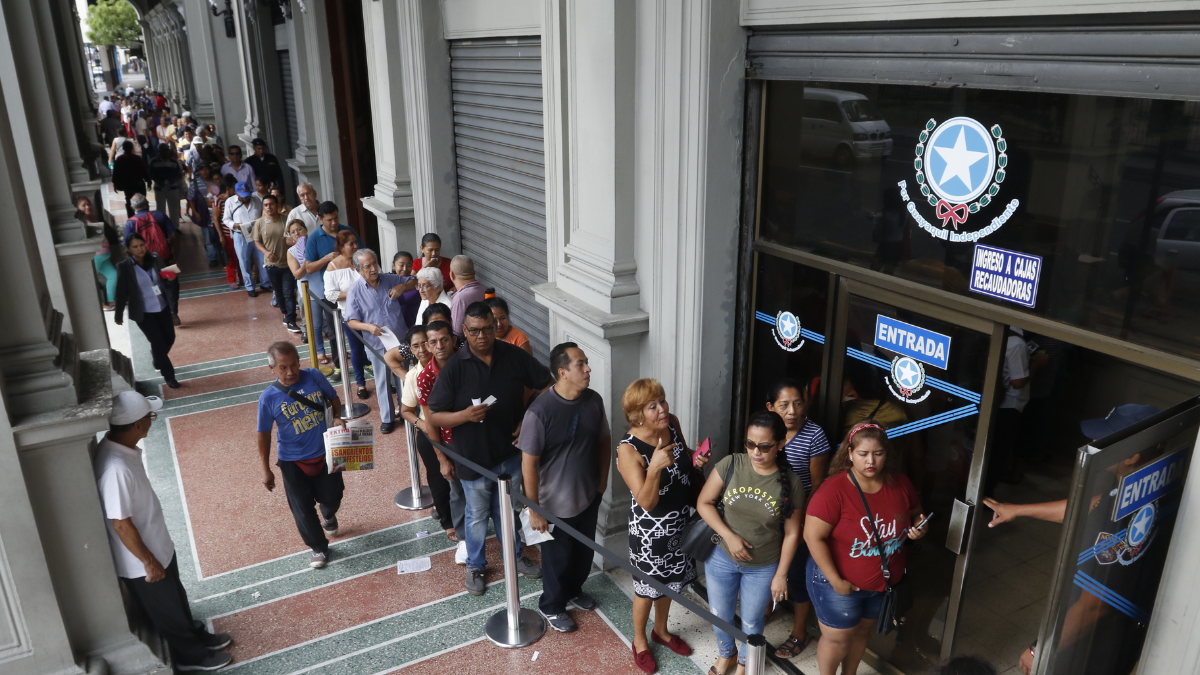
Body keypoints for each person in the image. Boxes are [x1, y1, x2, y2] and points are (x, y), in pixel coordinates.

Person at [983, 404, 1161, 675]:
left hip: (1095, 647)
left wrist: (1037, 650)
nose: (1094, 442)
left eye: (1106, 437)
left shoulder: (1121, 521)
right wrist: (1017, 510)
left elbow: (1093, 606)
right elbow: (1094, 506)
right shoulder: (1146, 488)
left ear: (1131, 456)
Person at [95, 391, 234, 671]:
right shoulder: (115, 471)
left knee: (176, 599)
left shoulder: (122, 451)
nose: (151, 420)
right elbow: (120, 524)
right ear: (137, 425)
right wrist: (149, 562)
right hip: (142, 561)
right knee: (167, 610)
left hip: (157, 545)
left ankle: (195, 634)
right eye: (150, 416)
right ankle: (191, 656)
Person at [427, 302, 551, 595]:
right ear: (464, 332)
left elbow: (547, 385)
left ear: (496, 328)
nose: (481, 336)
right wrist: (464, 417)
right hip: (474, 459)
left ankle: (516, 554)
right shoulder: (456, 367)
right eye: (473, 331)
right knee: (477, 515)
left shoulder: (514, 357)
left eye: (486, 329)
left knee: (508, 509)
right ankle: (476, 565)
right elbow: (433, 414)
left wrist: (528, 418)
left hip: (510, 453)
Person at [805, 422, 929, 675]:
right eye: (863, 454)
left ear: (887, 453)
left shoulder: (900, 483)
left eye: (878, 453)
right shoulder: (834, 490)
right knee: (838, 639)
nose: (870, 461)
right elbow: (812, 537)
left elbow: (917, 514)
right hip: (837, 584)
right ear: (849, 453)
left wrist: (920, 527)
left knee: (863, 632)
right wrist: (836, 580)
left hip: (883, 584)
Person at [698, 410, 804, 674]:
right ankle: (727, 655)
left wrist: (781, 575)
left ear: (780, 444)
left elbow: (792, 533)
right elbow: (704, 502)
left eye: (765, 446)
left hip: (764, 564)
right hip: (722, 556)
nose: (756, 452)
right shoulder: (732, 464)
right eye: (750, 444)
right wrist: (729, 536)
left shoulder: (791, 482)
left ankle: (746, 661)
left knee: (752, 620)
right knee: (719, 613)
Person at [616, 378, 707, 673]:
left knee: (671, 584)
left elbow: (684, 468)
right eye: (652, 406)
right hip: (650, 532)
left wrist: (697, 461)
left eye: (662, 401)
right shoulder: (628, 449)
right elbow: (645, 501)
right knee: (647, 590)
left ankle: (662, 631)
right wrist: (654, 468)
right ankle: (640, 640)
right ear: (637, 414)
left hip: (679, 523)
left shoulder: (673, 425)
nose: (662, 409)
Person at [519, 342, 611, 632]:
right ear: (563, 372)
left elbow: (604, 441)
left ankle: (574, 590)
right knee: (557, 559)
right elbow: (528, 464)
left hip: (588, 496)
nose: (588, 369)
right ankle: (552, 605)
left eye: (586, 363)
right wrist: (535, 509)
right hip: (553, 505)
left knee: (583, 555)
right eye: (581, 364)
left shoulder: (593, 401)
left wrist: (603, 482)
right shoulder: (539, 412)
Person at [256, 342, 346, 569]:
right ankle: (318, 547)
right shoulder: (268, 398)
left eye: (294, 364)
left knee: (333, 495)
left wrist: (337, 416)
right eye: (283, 367)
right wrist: (266, 469)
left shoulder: (314, 376)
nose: (290, 372)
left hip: (326, 452)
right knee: (302, 509)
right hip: (292, 461)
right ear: (272, 369)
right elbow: (263, 434)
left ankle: (329, 513)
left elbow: (334, 400)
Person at [766, 378, 831, 659]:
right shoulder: (766, 430)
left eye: (797, 403)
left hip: (799, 518)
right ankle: (766, 608)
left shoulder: (814, 435)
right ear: (770, 407)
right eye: (784, 405)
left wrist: (805, 523)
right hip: (769, 518)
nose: (792, 410)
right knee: (767, 566)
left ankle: (800, 631)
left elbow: (818, 485)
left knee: (796, 575)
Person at [344, 248, 415, 434]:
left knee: (404, 377)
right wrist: (368, 327)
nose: (373, 269)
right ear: (359, 270)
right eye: (367, 266)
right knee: (382, 381)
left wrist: (402, 287)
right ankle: (388, 418)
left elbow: (414, 282)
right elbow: (351, 321)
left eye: (374, 263)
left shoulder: (390, 279)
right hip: (376, 343)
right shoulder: (355, 291)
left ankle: (406, 411)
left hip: (400, 340)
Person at [399, 325, 459, 542]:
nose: (422, 349)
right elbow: (405, 410)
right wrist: (422, 424)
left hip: (456, 431)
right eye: (416, 346)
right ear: (411, 350)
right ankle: (448, 522)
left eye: (425, 342)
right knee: (439, 478)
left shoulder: (453, 365)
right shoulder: (416, 376)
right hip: (431, 434)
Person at [416, 320, 468, 564]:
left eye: (444, 339)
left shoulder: (470, 361)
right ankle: (465, 540)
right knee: (457, 492)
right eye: (433, 341)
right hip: (451, 443)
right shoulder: (425, 378)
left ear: (454, 340)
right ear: (427, 345)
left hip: (481, 438)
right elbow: (430, 422)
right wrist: (442, 458)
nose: (439, 345)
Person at [114, 233, 180, 388]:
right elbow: (121, 292)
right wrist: (118, 314)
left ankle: (158, 358)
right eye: (135, 247)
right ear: (129, 249)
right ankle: (169, 376)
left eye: (142, 245)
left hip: (161, 306)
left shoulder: (155, 259)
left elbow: (164, 278)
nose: (140, 249)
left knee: (169, 338)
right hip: (144, 312)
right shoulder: (124, 267)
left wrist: (170, 279)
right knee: (157, 342)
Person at [323, 231, 370, 398]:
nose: (356, 246)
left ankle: (383, 378)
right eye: (351, 244)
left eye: (356, 242)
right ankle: (361, 384)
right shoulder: (333, 267)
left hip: (371, 311)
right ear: (341, 247)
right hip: (350, 314)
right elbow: (330, 295)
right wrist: (353, 293)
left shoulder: (362, 260)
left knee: (377, 347)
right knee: (356, 349)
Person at [124, 193, 181, 325]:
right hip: (165, 258)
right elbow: (173, 235)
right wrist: (175, 255)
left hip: (145, 262)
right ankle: (173, 312)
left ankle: (160, 314)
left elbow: (127, 246)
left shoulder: (131, 222)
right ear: (148, 204)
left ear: (133, 208)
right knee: (171, 284)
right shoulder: (160, 215)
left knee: (152, 285)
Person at [252, 194, 301, 333]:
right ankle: (285, 312)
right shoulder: (260, 223)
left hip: (288, 264)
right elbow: (257, 241)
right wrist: (266, 252)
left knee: (289, 293)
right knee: (278, 293)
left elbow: (294, 236)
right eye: (266, 205)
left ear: (277, 205)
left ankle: (291, 319)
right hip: (271, 265)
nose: (269, 207)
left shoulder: (286, 221)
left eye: (271, 204)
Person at [223, 181, 265, 297]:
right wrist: (234, 225)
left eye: (247, 195)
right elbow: (225, 219)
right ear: (236, 193)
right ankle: (250, 286)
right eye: (243, 195)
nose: (246, 198)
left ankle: (265, 283)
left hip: (256, 234)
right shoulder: (230, 202)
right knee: (244, 261)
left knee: (263, 259)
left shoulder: (256, 199)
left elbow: (262, 214)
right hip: (240, 235)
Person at [187, 161, 221, 268]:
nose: (205, 172)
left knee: (220, 235)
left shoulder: (215, 181)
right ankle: (213, 258)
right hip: (205, 215)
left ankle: (222, 256)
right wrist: (195, 212)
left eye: (206, 169)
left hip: (218, 213)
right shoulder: (195, 183)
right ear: (199, 172)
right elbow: (190, 199)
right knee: (208, 238)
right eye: (202, 170)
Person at [212, 173, 244, 289]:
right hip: (226, 234)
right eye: (234, 188)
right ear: (228, 188)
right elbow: (215, 219)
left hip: (236, 232)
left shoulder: (235, 199)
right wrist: (221, 235)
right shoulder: (218, 201)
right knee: (229, 257)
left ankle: (242, 278)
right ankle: (232, 280)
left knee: (240, 255)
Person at [148, 144, 185, 233]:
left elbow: (180, 174)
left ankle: (175, 228)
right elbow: (150, 174)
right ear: (159, 152)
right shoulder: (154, 162)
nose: (164, 152)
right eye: (162, 150)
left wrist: (174, 179)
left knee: (174, 209)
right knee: (160, 208)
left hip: (173, 188)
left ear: (169, 151)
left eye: (166, 150)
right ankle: (161, 228)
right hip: (159, 189)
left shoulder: (174, 162)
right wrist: (157, 180)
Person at [448, 256, 487, 336]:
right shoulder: (485, 290)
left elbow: (457, 332)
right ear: (474, 273)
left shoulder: (460, 299)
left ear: (451, 275)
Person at [112, 140, 149, 217]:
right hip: (138, 183)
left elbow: (116, 173)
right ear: (132, 148)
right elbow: (144, 170)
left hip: (127, 185)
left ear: (123, 148)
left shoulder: (120, 159)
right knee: (142, 201)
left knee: (129, 202)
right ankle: (145, 219)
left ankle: (132, 219)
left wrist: (115, 184)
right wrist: (148, 181)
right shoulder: (137, 158)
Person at [391, 251, 422, 328]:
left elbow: (416, 282)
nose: (405, 269)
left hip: (415, 325)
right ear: (394, 266)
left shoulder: (417, 282)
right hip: (395, 326)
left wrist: (403, 286)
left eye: (409, 265)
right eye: (401, 265)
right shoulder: (388, 281)